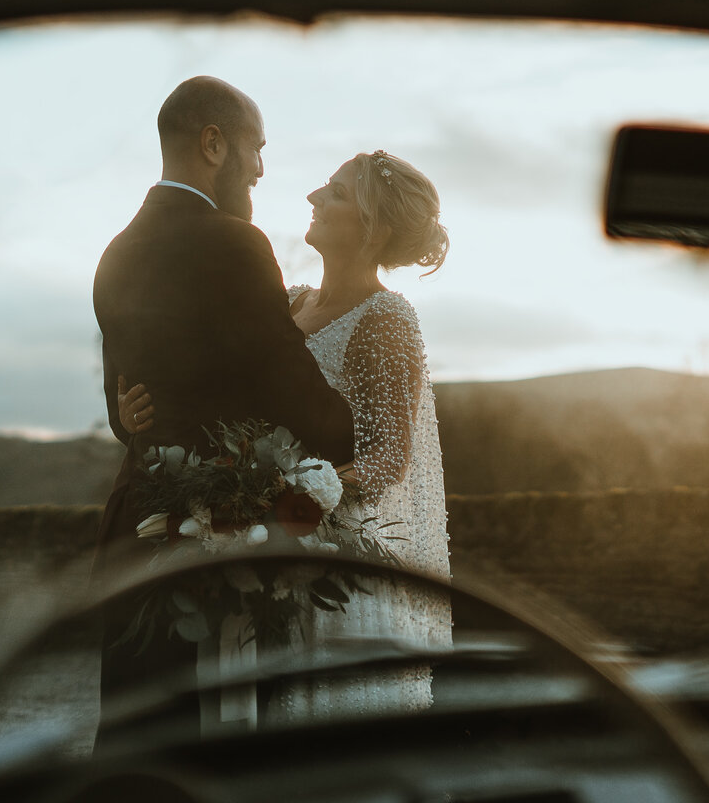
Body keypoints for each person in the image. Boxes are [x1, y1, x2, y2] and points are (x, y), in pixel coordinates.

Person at [120, 149, 453, 718]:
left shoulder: (386, 320)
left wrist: (293, 500)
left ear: (374, 230)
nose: (313, 197)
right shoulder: (291, 302)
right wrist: (136, 418)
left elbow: (387, 459)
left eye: (336, 192)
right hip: (264, 551)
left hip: (332, 563)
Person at [92, 77, 354, 730]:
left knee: (138, 741)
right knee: (219, 742)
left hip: (132, 534)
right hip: (216, 544)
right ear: (213, 143)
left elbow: (123, 413)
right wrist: (359, 432)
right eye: (254, 148)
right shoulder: (235, 244)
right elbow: (294, 394)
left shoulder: (114, 253)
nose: (262, 168)